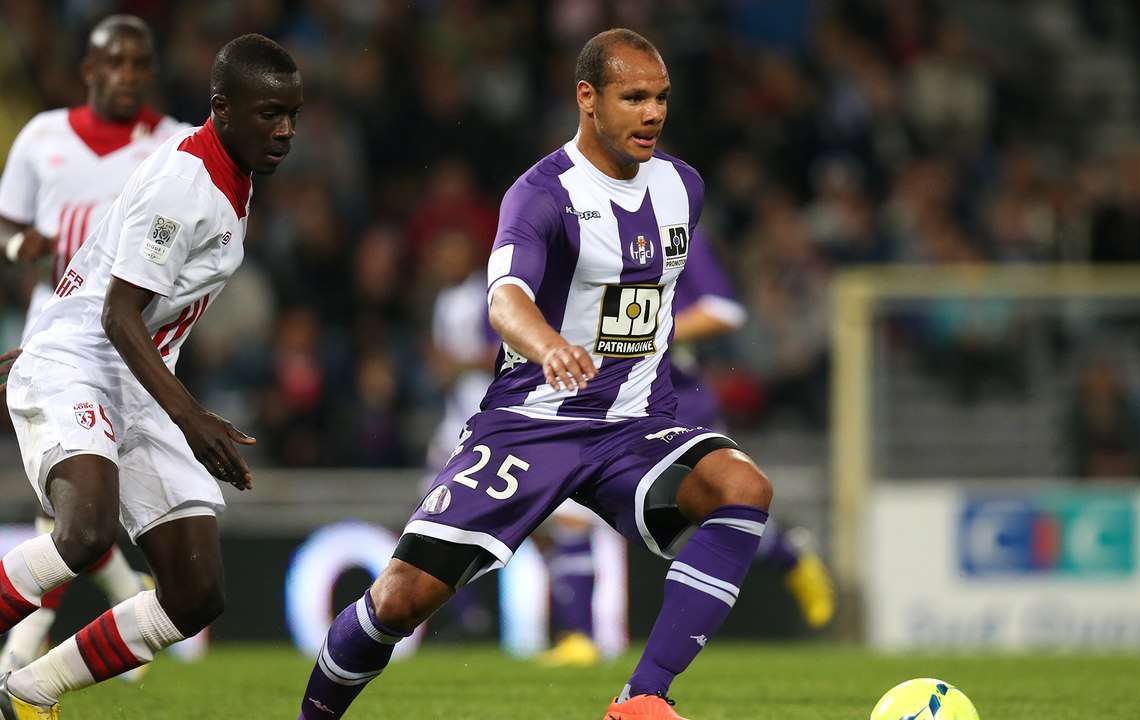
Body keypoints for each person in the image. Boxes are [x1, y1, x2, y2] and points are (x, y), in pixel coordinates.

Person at [297, 28, 773, 720]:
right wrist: (547, 344)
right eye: (634, 97)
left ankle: (641, 699)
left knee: (742, 487)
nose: (652, 113)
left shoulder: (683, 188)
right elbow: (504, 297)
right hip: (533, 424)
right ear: (587, 98)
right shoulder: (542, 193)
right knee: (401, 598)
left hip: (633, 426)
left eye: (661, 97)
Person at [0, 33, 302, 718]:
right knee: (85, 532)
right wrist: (191, 417)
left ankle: (28, 693)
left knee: (195, 594)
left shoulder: (229, 174)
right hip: (83, 365)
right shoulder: (183, 185)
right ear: (222, 109)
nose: (285, 131)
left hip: (133, 377)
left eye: (292, 114)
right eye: (269, 114)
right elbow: (118, 313)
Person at [536, 231, 836, 669]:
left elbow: (723, 310)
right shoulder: (570, 235)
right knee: (572, 514)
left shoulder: (670, 229)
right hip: (598, 405)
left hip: (675, 404)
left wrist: (645, 333)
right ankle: (578, 637)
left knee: (710, 514)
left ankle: (787, 554)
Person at [0, 14, 188, 677]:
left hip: (132, 345)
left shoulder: (175, 147)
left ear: (152, 73)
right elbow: (7, 221)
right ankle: (33, 642)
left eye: (138, 64)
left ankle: (60, 624)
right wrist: (19, 246)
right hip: (54, 333)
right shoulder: (43, 136)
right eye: (114, 62)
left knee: (81, 501)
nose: (126, 76)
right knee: (68, 494)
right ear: (88, 70)